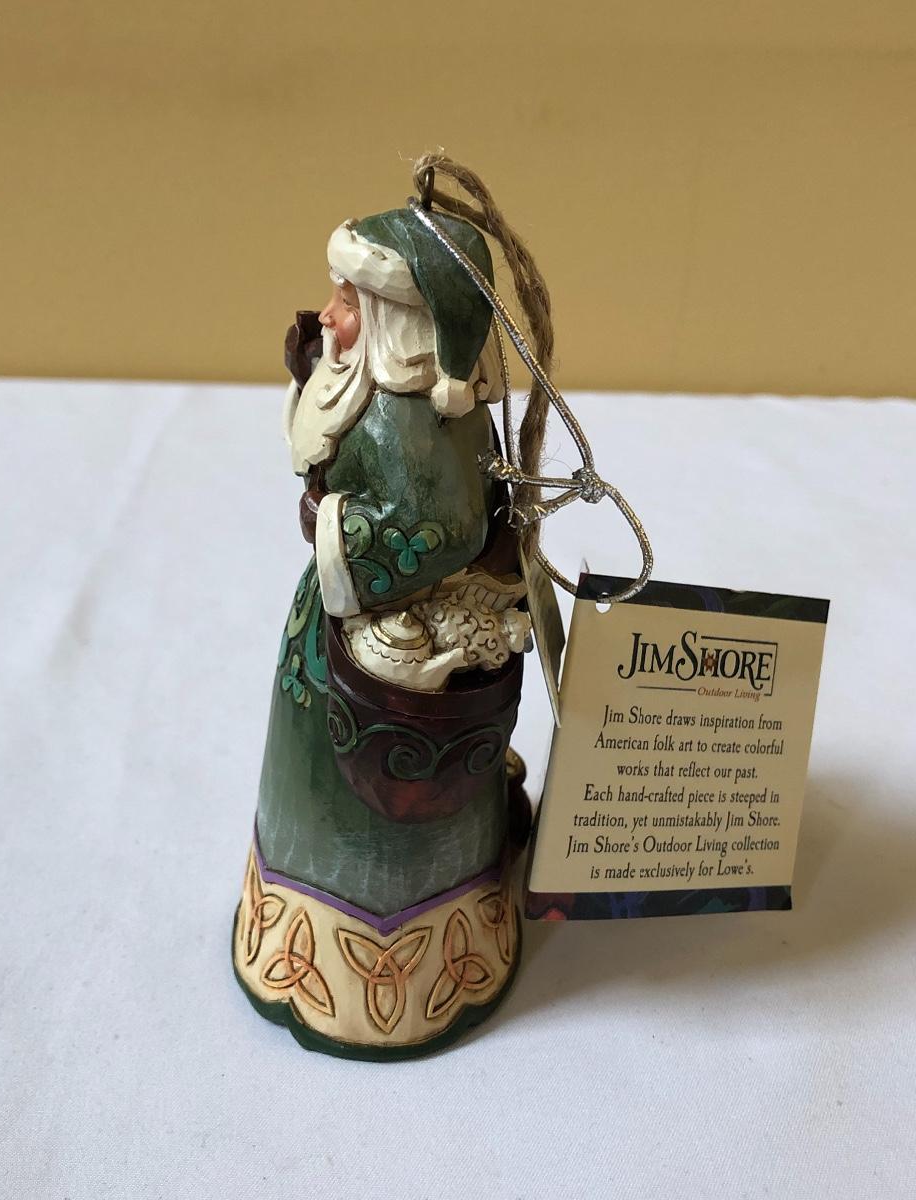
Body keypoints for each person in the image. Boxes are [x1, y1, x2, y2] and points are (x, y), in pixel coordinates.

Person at [232, 206, 528, 1059]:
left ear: (398, 326)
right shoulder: (372, 388)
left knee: (366, 790)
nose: (330, 315)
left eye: (349, 303)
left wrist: (328, 523)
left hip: (381, 643)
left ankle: (377, 960)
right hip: (339, 621)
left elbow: (445, 530)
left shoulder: (410, 418)